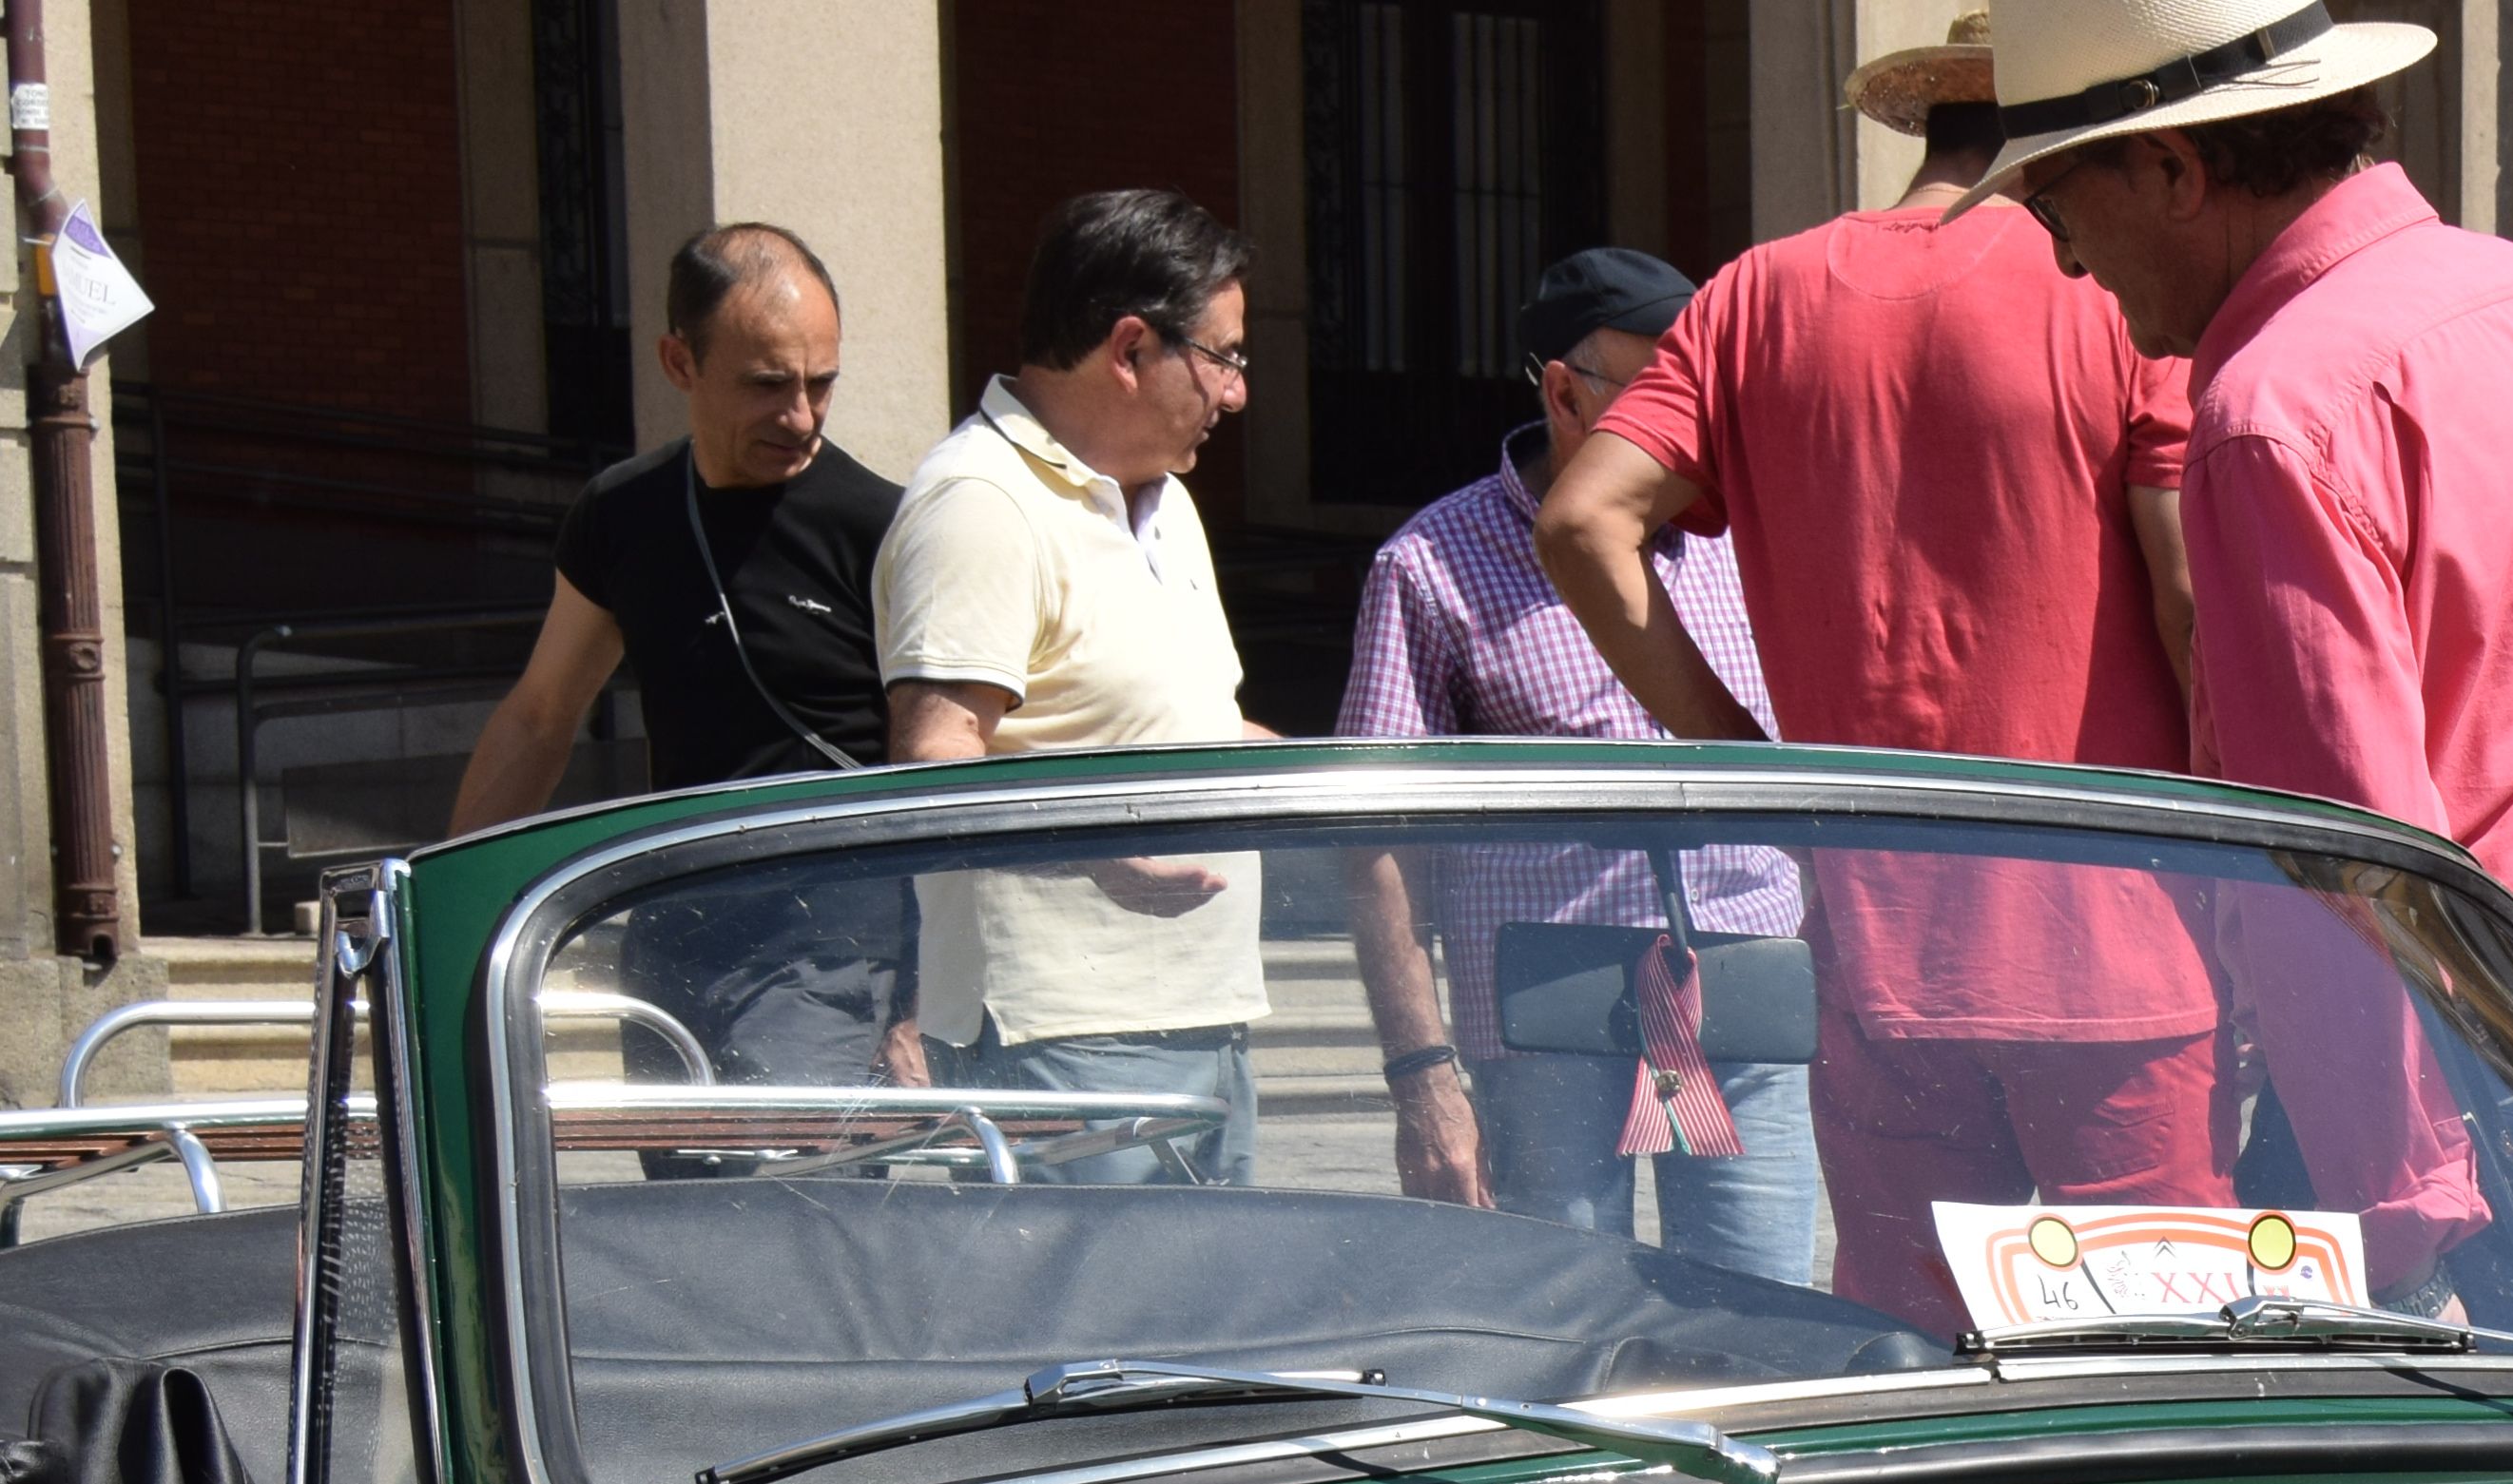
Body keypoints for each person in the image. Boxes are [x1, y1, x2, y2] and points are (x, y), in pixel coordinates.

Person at [2004, 0, 2513, 1200]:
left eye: (2056, 206)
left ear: (2171, 167)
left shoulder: (2274, 408)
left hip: (2477, 1072)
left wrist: (2398, 1194)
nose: (2066, 259)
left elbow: (2350, 857)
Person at [1539, 14, 2212, 1329]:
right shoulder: (2118, 289)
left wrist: (1742, 759)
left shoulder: (1752, 295)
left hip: (1879, 942)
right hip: (2126, 939)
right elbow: (2187, 601)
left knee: (1914, 1365)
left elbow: (1580, 521)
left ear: (1932, 126)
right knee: (2160, 1362)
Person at [1337, 245, 1821, 1282]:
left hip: (1742, 989)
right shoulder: (1433, 563)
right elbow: (1376, 843)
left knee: (1763, 1318)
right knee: (1564, 1319)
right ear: (1564, 389)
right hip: (1549, 1017)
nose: (1694, 420)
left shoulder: (1752, 539)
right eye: (1663, 387)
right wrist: (1422, 1077)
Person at [873, 189, 1284, 1185]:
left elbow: (1182, 723)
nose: (1236, 395)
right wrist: (1098, 858)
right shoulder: (981, 503)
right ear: (1132, 348)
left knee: (1209, 1337)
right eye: (1224, 357)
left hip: (1205, 1017)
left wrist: (1343, 781)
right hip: (1064, 1042)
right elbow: (933, 758)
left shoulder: (1167, 503)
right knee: (1103, 1335)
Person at [452, 223, 909, 1105]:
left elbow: (940, 758)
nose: (802, 417)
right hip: (675, 932)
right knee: (681, 1219)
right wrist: (444, 896)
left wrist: (918, 1003)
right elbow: (542, 714)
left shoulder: (882, 525)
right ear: (679, 361)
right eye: (768, 386)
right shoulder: (621, 513)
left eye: (822, 384)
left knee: (782, 1214)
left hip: (832, 947)